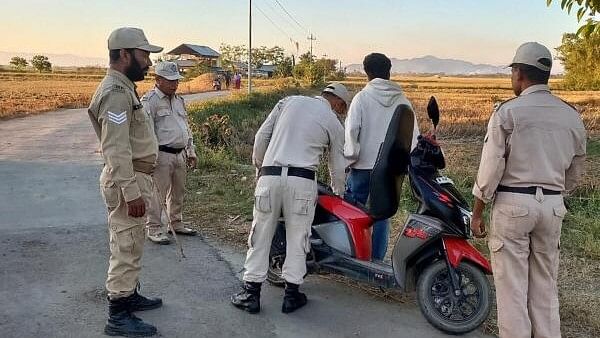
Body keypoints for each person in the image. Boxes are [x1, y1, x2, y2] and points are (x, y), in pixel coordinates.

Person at [470, 42, 586, 338]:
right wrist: (554, 196)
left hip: (513, 205)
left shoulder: (507, 113)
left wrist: (478, 212)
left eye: (513, 73)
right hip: (552, 205)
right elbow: (575, 173)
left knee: (512, 290)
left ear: (519, 73)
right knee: (545, 288)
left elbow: (490, 169)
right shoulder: (571, 116)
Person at [231, 83, 350, 314]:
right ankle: (291, 296)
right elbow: (337, 164)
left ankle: (251, 294)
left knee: (260, 234)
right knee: (298, 239)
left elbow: (261, 137)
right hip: (303, 182)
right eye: (341, 109)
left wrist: (260, 169)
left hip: (270, 177)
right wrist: (338, 193)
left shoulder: (287, 102)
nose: (340, 113)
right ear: (338, 102)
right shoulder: (333, 122)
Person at [88, 27, 164, 337]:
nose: (148, 63)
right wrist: (131, 191)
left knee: (131, 243)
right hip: (127, 180)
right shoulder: (117, 93)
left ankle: (129, 294)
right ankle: (118, 315)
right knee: (125, 245)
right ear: (123, 54)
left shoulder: (124, 88)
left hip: (132, 176)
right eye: (144, 55)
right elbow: (115, 148)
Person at [344, 53, 419, 261]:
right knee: (382, 215)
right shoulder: (403, 100)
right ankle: (376, 260)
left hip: (362, 167)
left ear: (366, 72)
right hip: (389, 171)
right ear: (389, 71)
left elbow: (352, 133)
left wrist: (348, 161)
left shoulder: (361, 98)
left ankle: (355, 257)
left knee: (353, 212)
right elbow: (412, 138)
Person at [142, 61, 198, 245]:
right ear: (158, 80)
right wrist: (150, 158)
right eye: (171, 80)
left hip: (180, 153)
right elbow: (147, 132)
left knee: (178, 192)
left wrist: (190, 150)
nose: (175, 84)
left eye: (177, 80)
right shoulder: (150, 101)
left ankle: (176, 223)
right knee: (157, 194)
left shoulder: (179, 100)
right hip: (161, 155)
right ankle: (154, 228)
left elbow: (185, 128)